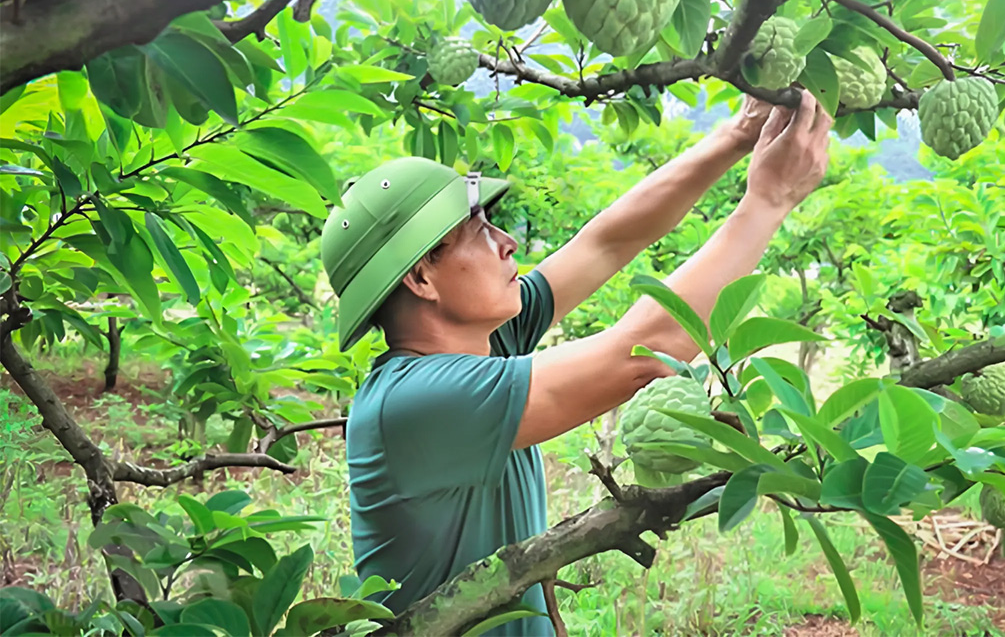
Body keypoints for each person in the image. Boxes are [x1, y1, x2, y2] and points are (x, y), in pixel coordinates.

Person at [319, 90, 832, 635]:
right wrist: (769, 200)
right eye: (478, 230)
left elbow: (607, 244)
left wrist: (738, 133)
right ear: (421, 279)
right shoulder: (417, 401)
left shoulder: (488, 340)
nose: (508, 241)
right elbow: (642, 350)